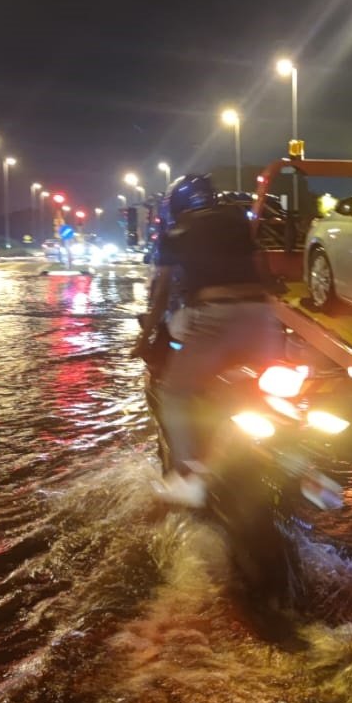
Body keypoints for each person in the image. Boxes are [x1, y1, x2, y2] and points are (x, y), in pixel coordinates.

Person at [133, 172, 283, 507]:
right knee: (272, 392)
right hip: (262, 318)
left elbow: (161, 295)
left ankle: (189, 478)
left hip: (216, 317)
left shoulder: (173, 235)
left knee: (174, 393)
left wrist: (144, 339)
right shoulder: (236, 221)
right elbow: (262, 267)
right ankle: (297, 455)